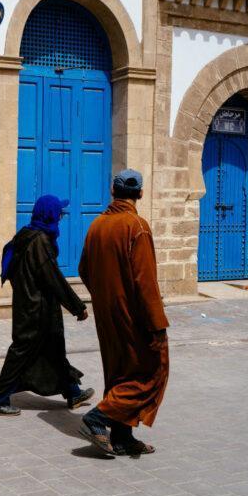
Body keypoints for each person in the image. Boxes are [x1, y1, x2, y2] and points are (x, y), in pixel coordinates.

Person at [78, 169, 170, 456]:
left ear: (113, 191)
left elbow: (84, 270)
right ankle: (98, 417)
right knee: (152, 371)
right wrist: (157, 324)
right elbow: (145, 283)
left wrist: (106, 298)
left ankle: (122, 437)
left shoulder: (97, 225)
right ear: (140, 193)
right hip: (134, 318)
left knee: (119, 374)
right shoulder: (136, 226)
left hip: (108, 317)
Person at [0, 195, 94, 416]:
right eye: (59, 214)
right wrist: (77, 307)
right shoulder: (39, 241)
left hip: (32, 304)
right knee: (21, 351)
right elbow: (53, 278)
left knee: (54, 350)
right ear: (50, 214)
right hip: (36, 309)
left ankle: (73, 392)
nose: (61, 218)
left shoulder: (26, 235)